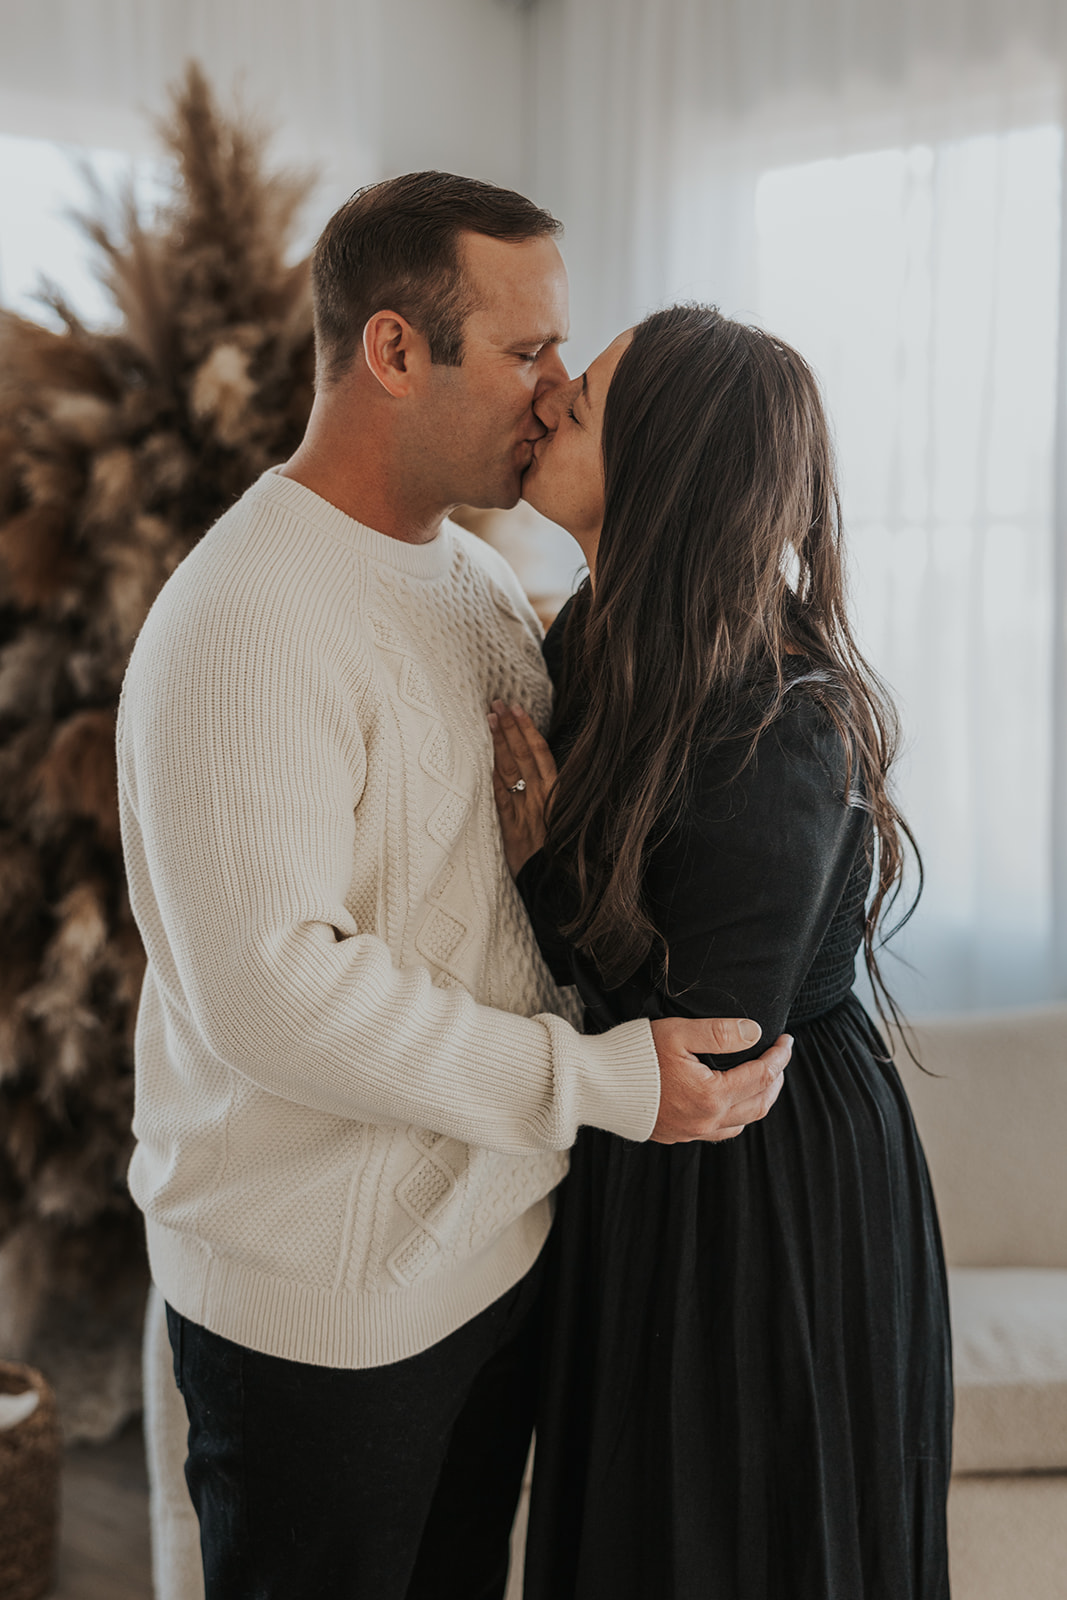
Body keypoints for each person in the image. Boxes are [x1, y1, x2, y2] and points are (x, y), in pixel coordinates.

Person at [117, 176, 793, 1600]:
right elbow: (274, 991)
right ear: (392, 351)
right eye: (527, 352)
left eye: (564, 356)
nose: (555, 394)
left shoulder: (475, 587)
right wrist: (604, 1082)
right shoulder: (246, 617)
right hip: (330, 1322)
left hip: (493, 1266)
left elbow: (516, 898)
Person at [489, 306, 953, 1599]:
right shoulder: (600, 637)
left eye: (577, 405)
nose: (544, 405)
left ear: (664, 465)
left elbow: (714, 1042)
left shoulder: (777, 715)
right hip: (653, 1157)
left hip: (757, 1177)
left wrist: (538, 879)